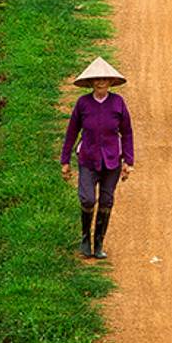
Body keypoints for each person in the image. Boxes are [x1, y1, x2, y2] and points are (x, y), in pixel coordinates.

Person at [61, 55, 134, 259]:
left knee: (106, 201)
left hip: (112, 160)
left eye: (104, 79)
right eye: (97, 79)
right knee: (87, 199)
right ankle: (85, 238)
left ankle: (99, 243)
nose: (101, 82)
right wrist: (65, 161)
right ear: (91, 82)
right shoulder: (83, 104)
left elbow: (127, 133)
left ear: (111, 82)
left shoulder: (118, 103)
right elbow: (72, 132)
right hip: (88, 158)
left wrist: (129, 161)